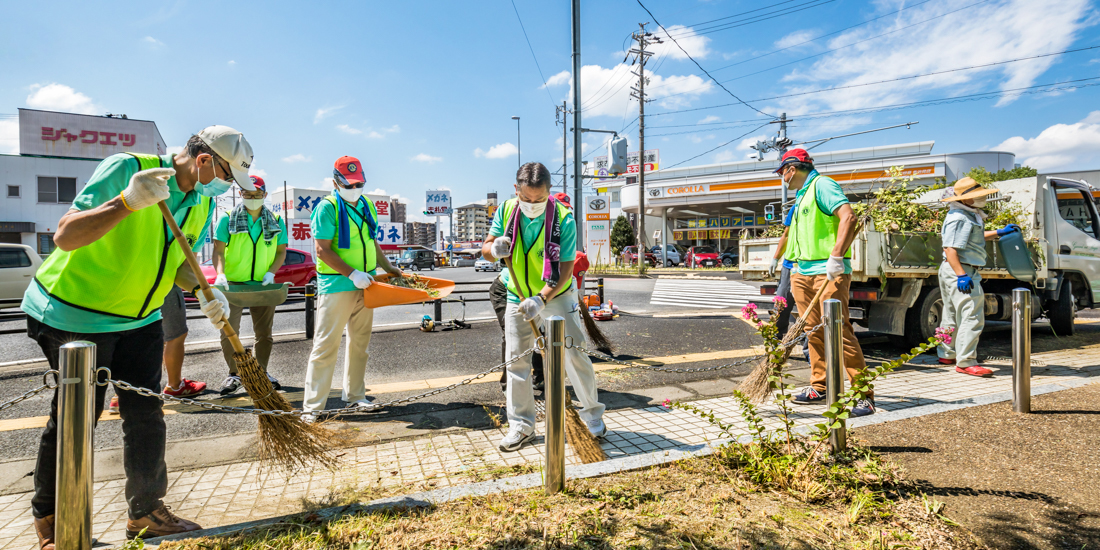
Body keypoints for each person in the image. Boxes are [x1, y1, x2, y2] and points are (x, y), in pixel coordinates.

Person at [23, 125, 251, 546]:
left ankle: (146, 511)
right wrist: (127, 202)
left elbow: (177, 259)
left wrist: (204, 288)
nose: (226, 188)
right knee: (77, 417)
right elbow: (66, 235)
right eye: (225, 176)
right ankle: (53, 519)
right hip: (75, 313)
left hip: (140, 318)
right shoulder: (129, 169)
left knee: (147, 415)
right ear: (204, 161)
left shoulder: (199, 204)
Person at [482, 163, 606, 452]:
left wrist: (540, 299)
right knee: (516, 362)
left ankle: (593, 416)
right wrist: (494, 249)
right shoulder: (506, 210)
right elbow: (487, 247)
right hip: (516, 293)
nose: (533, 205)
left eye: (539, 200)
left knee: (574, 356)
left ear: (550, 192)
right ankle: (521, 426)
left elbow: (565, 269)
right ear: (517, 191)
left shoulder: (564, 218)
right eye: (527, 199)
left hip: (557, 294)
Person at [302, 156, 402, 421]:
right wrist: (352, 273)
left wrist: (389, 268)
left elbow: (372, 244)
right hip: (337, 285)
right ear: (335, 182)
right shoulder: (327, 207)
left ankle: (356, 395)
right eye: (348, 185)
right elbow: (322, 250)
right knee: (326, 345)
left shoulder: (366, 204)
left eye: (359, 184)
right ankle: (312, 407)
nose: (354, 189)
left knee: (360, 343)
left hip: (368, 284)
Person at [779, 148, 875, 417]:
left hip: (827, 271)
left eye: (782, 172)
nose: (782, 178)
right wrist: (790, 265)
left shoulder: (822, 184)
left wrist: (836, 256)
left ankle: (863, 395)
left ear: (792, 168)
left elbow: (848, 216)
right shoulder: (801, 195)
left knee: (839, 330)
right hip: (803, 271)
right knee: (812, 331)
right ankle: (819, 386)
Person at [213, 175, 288, 394]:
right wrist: (220, 274)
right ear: (240, 194)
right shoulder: (227, 218)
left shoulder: (276, 219)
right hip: (233, 285)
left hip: (263, 286)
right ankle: (235, 374)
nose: (252, 198)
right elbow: (218, 250)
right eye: (247, 194)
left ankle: (262, 371)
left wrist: (271, 273)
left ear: (265, 195)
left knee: (264, 332)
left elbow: (281, 251)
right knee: (229, 331)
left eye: (257, 194)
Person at [937, 177, 1020, 376]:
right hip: (961, 269)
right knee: (972, 316)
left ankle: (946, 353)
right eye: (977, 196)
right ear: (964, 199)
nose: (981, 198)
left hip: (953, 269)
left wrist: (998, 232)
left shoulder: (966, 215)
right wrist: (962, 275)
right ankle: (966, 362)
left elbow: (969, 240)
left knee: (950, 314)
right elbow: (950, 248)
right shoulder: (960, 218)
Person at [769, 204, 797, 338]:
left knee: (807, 311)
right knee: (781, 302)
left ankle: (809, 350)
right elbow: (786, 235)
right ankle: (776, 339)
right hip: (789, 265)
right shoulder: (795, 208)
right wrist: (775, 258)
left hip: (808, 265)